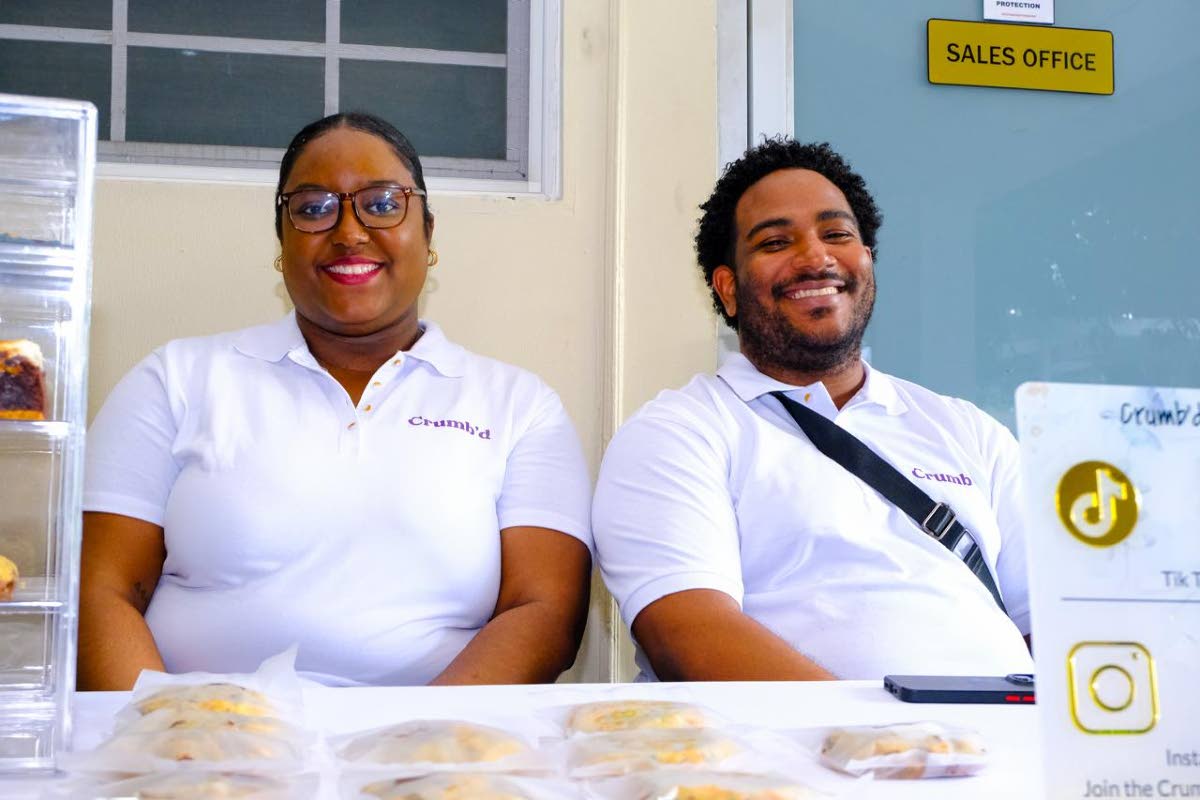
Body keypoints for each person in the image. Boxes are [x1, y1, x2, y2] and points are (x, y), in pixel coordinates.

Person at [79, 112, 593, 689]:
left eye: (381, 203)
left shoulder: (518, 406)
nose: (349, 231)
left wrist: (416, 747)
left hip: (435, 752)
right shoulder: (175, 380)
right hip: (200, 751)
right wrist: (170, 745)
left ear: (428, 233)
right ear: (281, 241)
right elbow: (99, 591)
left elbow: (544, 612)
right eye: (314, 207)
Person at [592, 139, 1032, 681]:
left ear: (866, 261)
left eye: (837, 234)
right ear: (728, 289)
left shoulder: (969, 431)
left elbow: (1057, 630)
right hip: (797, 757)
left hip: (1004, 746)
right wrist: (880, 740)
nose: (816, 257)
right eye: (776, 241)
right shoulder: (679, 433)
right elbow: (688, 636)